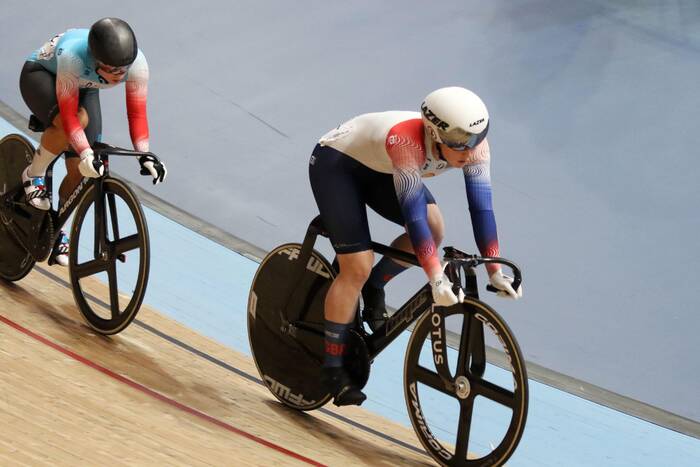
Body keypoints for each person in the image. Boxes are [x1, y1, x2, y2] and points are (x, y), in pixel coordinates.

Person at [308, 86, 523, 406]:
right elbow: (413, 217)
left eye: (476, 139)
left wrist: (494, 269)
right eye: (461, 143)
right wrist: (436, 277)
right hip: (338, 166)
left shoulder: (474, 146)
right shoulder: (406, 141)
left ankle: (374, 288)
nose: (471, 150)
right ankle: (333, 367)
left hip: (382, 170)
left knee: (437, 228)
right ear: (436, 135)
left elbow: (481, 209)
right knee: (357, 266)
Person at [19, 17, 167, 265]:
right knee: (78, 120)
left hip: (85, 87)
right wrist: (85, 151)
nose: (119, 76)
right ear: (96, 61)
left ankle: (55, 231)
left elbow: (137, 113)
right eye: (112, 70)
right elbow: (69, 117)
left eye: (123, 70)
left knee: (81, 171)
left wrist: (144, 154)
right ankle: (33, 173)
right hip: (41, 75)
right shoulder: (73, 57)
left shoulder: (137, 64)